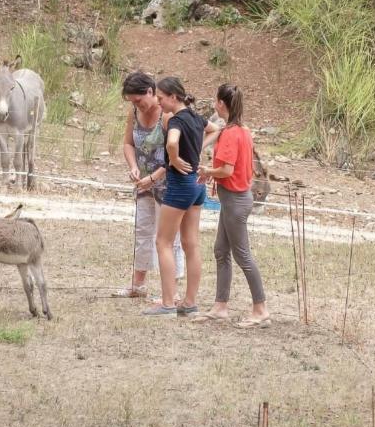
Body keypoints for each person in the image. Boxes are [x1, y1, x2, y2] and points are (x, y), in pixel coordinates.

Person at [142, 77, 220, 318]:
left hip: (180, 184)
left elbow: (172, 141)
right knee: (191, 243)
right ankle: (189, 302)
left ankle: (167, 303)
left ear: (174, 97)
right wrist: (198, 149)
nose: (159, 102)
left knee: (163, 242)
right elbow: (216, 130)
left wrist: (173, 158)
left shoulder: (175, 119)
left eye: (162, 98)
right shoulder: (197, 118)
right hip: (197, 185)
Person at [195, 84, 270, 328]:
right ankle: (220, 306)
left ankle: (260, 310)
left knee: (242, 255)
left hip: (235, 201)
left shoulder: (230, 134)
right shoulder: (243, 131)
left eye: (216, 100)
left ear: (221, 104)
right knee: (221, 250)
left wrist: (207, 171)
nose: (215, 104)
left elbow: (226, 170)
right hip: (234, 199)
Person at [113, 72, 185, 299]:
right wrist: (133, 166)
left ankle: (171, 290)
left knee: (168, 236)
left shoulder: (166, 115)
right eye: (132, 102)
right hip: (143, 183)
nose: (137, 105)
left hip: (168, 184)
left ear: (151, 92)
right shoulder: (134, 112)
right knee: (142, 230)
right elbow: (128, 143)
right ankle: (138, 284)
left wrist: (153, 177)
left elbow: (175, 156)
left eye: (139, 100)